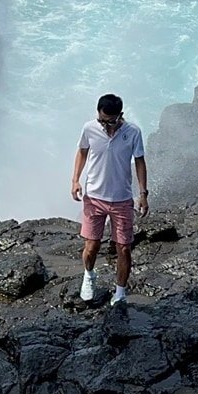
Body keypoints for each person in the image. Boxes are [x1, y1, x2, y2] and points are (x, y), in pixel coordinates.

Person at [71, 94, 148, 305]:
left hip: (122, 199)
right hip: (94, 197)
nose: (105, 125)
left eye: (110, 121)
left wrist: (143, 193)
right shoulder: (89, 128)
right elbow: (82, 152)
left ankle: (120, 292)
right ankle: (89, 275)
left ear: (120, 116)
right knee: (92, 245)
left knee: (124, 247)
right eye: (102, 120)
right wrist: (75, 180)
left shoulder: (133, 132)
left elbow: (140, 161)